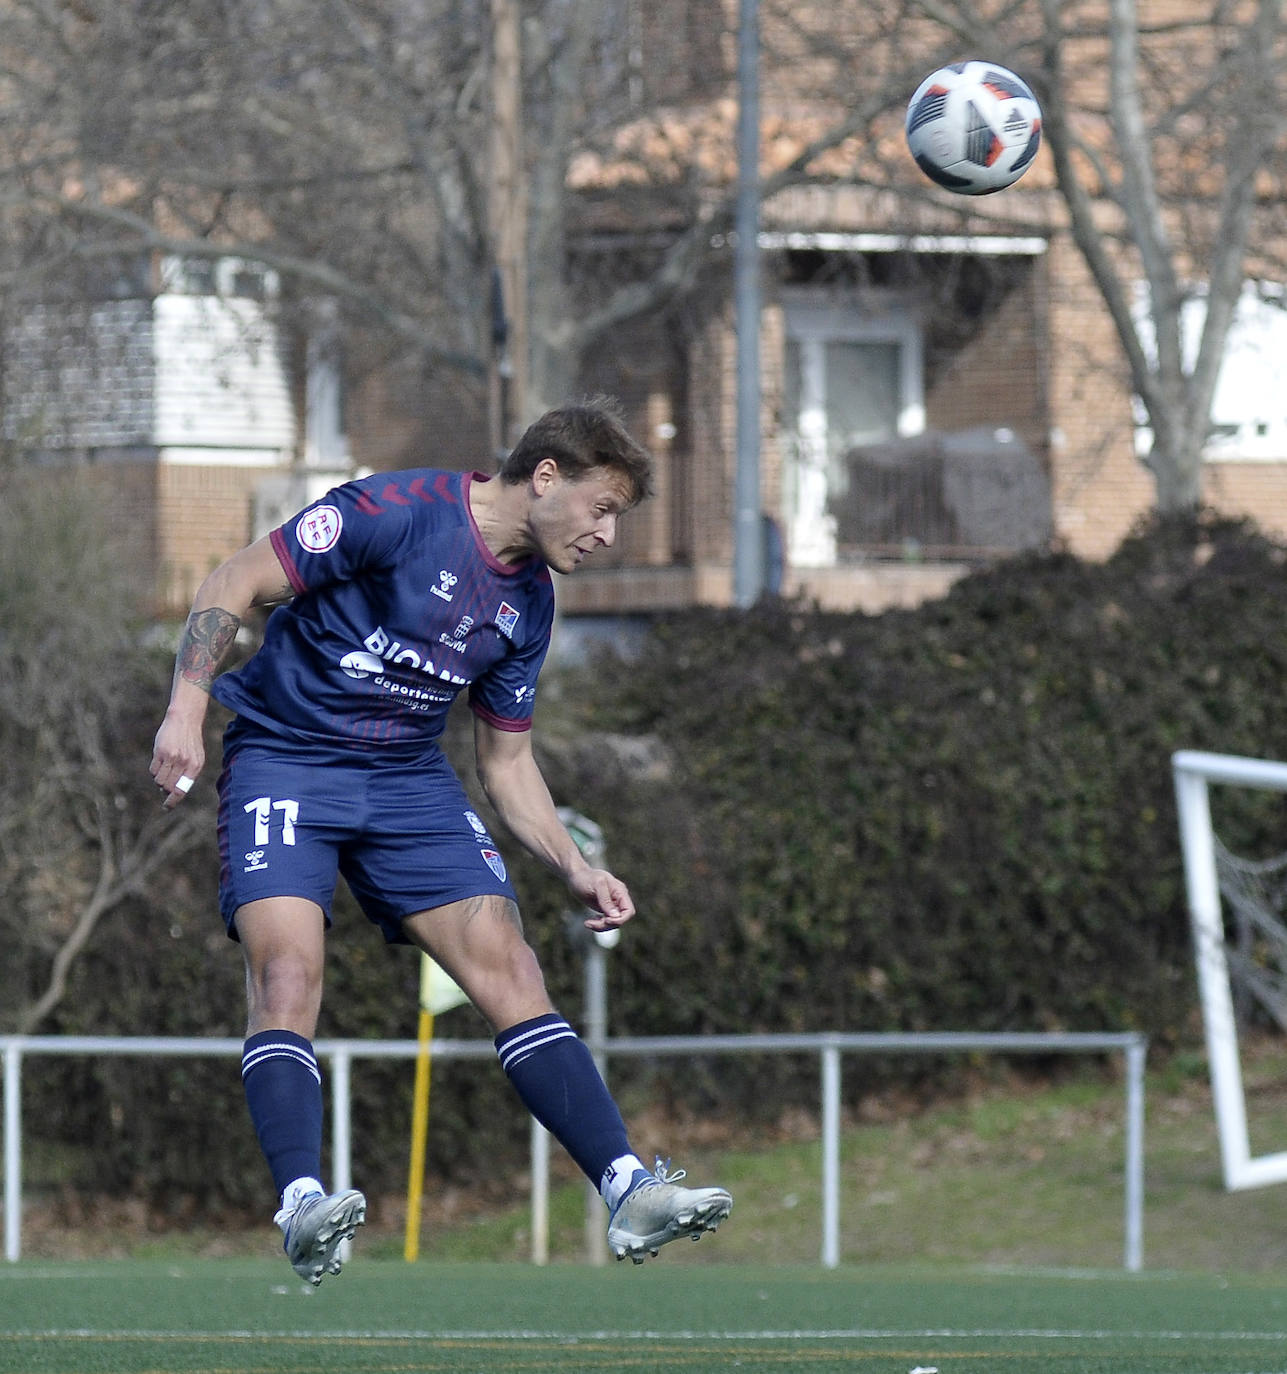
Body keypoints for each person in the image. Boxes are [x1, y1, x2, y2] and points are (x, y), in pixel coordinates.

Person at [149, 401, 732, 1285]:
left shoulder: (529, 604)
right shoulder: (392, 513)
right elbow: (232, 582)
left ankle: (626, 1188)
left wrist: (573, 864)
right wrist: (186, 711)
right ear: (545, 477)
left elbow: (506, 764)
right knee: (289, 974)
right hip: (287, 759)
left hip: (407, 782)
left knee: (512, 964)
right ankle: (303, 1204)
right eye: (602, 507)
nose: (608, 534)